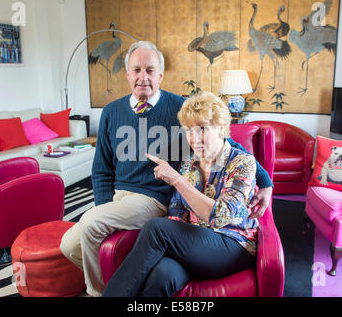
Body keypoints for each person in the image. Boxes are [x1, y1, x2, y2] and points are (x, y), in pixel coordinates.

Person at [60, 41, 273, 297]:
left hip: (156, 201)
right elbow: (102, 170)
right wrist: (105, 209)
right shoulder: (114, 114)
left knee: (114, 226)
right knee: (69, 245)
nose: (143, 77)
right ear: (127, 74)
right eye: (136, 70)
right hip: (131, 203)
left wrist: (267, 183)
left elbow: (226, 145)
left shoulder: (179, 110)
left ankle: (100, 293)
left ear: (160, 75)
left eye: (150, 70)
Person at [102, 91, 258, 297]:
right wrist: (174, 241)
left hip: (232, 245)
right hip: (194, 245)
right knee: (162, 276)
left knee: (157, 228)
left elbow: (221, 216)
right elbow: (177, 210)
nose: (195, 139)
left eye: (202, 129)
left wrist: (176, 180)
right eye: (189, 131)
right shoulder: (189, 164)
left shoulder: (242, 163)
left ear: (221, 129)